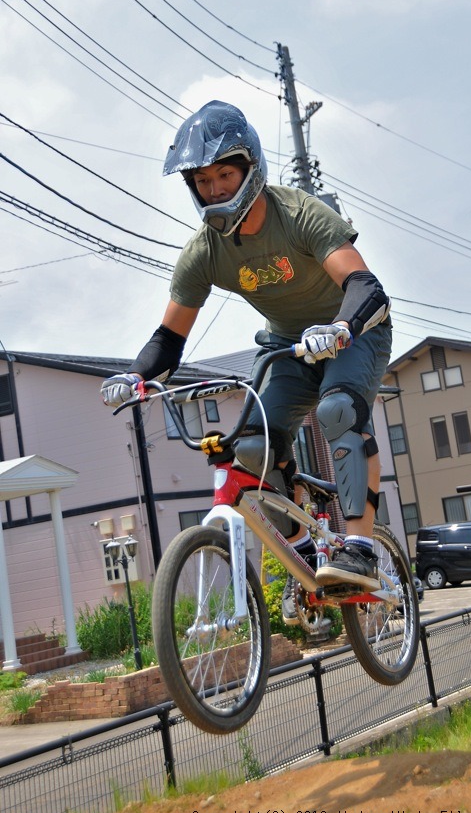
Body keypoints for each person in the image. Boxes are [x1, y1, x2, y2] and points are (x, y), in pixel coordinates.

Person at [100, 100, 392, 625]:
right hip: (286, 345)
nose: (214, 190)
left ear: (250, 167)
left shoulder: (298, 214)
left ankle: (361, 547)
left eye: (225, 174)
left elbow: (366, 287)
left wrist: (342, 328)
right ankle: (304, 547)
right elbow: (169, 337)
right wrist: (136, 377)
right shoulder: (205, 251)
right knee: (253, 448)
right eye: (203, 180)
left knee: (338, 412)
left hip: (353, 333)